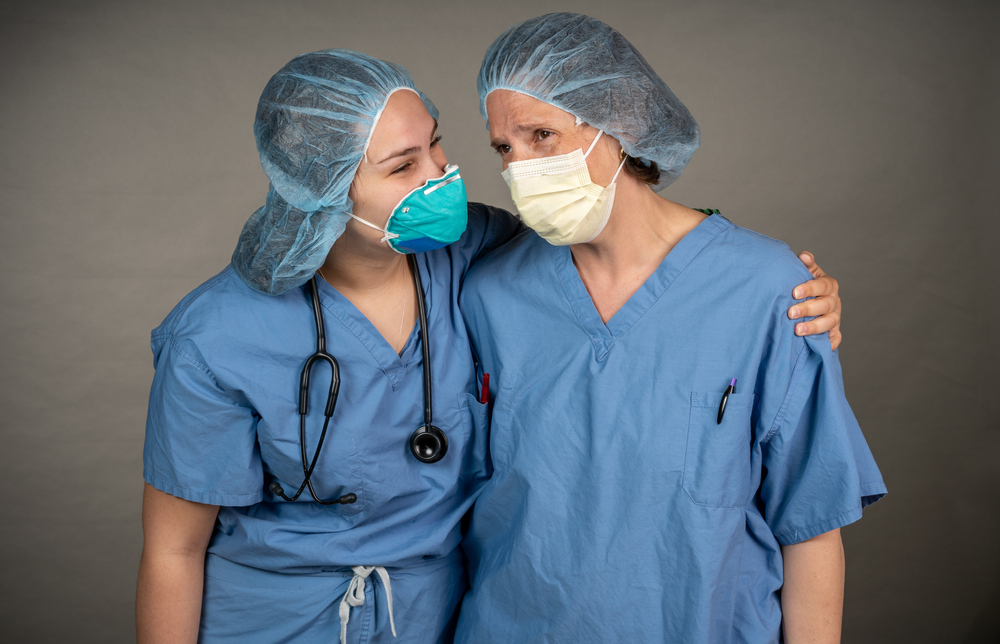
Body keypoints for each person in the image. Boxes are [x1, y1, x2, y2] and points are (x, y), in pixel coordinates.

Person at [136, 47, 843, 643]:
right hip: (276, 621)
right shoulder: (216, 335)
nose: (441, 175)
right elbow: (173, 549)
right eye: (402, 166)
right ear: (320, 192)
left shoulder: (470, 252)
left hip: (436, 616)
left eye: (437, 143)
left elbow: (637, 245)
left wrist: (777, 286)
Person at [454, 13, 885, 644]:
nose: (520, 168)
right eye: (503, 148)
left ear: (619, 119)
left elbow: (811, 523)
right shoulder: (491, 293)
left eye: (541, 135)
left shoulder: (767, 289)